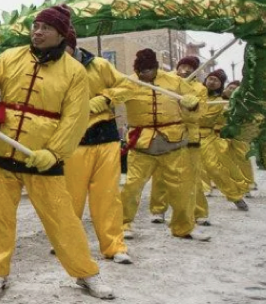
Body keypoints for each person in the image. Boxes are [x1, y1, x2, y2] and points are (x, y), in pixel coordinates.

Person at [0, 5, 113, 300]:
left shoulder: (74, 72)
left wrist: (54, 153)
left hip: (42, 157)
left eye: (46, 28)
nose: (38, 31)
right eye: (36, 26)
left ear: (61, 34)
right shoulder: (11, 57)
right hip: (4, 148)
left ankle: (86, 273)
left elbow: (75, 118)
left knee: (62, 218)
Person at [114, 49, 207, 241]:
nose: (144, 74)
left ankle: (184, 227)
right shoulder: (129, 82)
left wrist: (193, 105)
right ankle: (122, 224)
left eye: (147, 70)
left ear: (155, 68)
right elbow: (111, 98)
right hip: (141, 145)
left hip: (173, 143)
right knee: (131, 187)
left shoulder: (174, 82)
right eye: (140, 70)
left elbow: (198, 112)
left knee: (182, 189)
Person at [62, 31, 133, 264]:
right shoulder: (52, 71)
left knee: (107, 196)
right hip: (74, 141)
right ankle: (67, 243)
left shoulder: (100, 66)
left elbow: (127, 86)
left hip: (105, 137)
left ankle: (114, 246)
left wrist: (105, 98)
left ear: (71, 45)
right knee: (71, 197)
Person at [194, 69, 249, 223]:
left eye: (216, 80)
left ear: (220, 85)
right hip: (186, 134)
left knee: (214, 167)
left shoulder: (222, 102)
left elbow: (228, 119)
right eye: (210, 78)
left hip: (207, 137)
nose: (212, 82)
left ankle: (235, 196)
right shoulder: (195, 92)